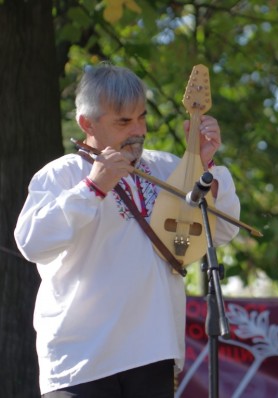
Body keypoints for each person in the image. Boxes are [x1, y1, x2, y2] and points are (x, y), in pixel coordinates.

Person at [14, 63, 240, 397]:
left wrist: (203, 164)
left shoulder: (167, 168)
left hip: (154, 351)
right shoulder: (61, 175)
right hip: (81, 360)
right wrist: (93, 187)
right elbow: (32, 243)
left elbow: (220, 233)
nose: (137, 129)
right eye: (123, 121)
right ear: (86, 123)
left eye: (142, 117)